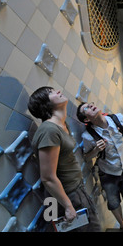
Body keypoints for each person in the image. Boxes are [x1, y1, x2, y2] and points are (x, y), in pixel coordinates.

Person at [28, 87, 101, 232]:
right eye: (50, 92)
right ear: (45, 104)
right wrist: (68, 206)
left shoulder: (62, 125)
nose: (58, 91)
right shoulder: (49, 130)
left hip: (76, 190)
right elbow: (47, 177)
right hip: (67, 196)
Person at [76, 101, 123, 232]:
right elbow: (86, 157)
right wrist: (95, 150)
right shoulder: (88, 136)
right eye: (87, 108)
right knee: (113, 202)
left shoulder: (118, 118)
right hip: (108, 173)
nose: (91, 105)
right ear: (87, 119)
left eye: (90, 104)